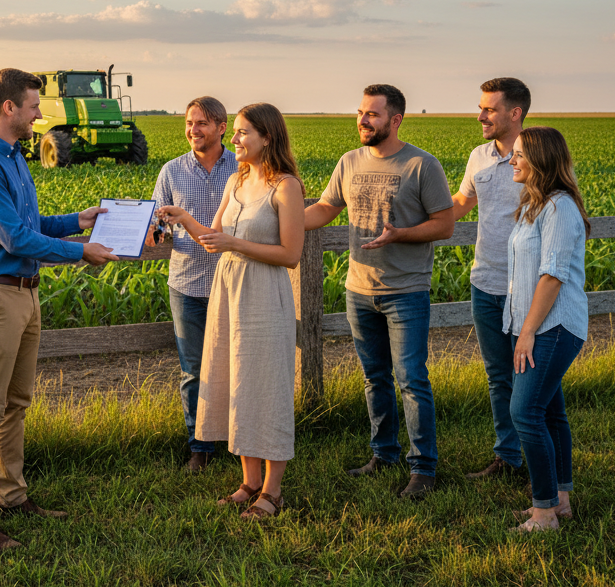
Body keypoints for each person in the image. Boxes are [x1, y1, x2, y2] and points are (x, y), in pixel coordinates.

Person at [0, 68, 118, 550]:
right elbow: (14, 238)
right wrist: (81, 250)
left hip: (23, 293)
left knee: (16, 403)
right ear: (8, 108)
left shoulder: (13, 157)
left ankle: (12, 495)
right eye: (32, 106)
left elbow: (31, 222)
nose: (39, 113)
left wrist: (75, 221)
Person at [304, 84, 454, 500]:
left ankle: (423, 468)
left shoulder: (422, 166)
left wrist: (401, 234)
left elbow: (444, 224)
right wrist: (280, 222)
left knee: (411, 380)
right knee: (375, 379)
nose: (363, 120)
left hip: (406, 291)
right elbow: (325, 208)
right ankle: (383, 454)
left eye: (372, 114)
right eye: (360, 112)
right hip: (358, 290)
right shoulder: (349, 161)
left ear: (396, 119)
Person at [157, 103, 306, 520]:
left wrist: (236, 246)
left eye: (242, 133)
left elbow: (290, 254)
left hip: (264, 294)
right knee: (235, 380)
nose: (235, 140)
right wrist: (183, 217)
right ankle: (249, 482)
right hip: (230, 291)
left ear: (267, 138)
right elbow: (213, 237)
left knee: (267, 386)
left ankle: (273, 492)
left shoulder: (286, 187)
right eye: (236, 132)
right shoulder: (238, 181)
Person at [504, 126, 590, 533]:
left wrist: (527, 332)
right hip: (538, 325)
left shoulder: (559, 208)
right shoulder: (534, 206)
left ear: (541, 160)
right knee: (552, 412)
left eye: (520, 155)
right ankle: (561, 500)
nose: (512, 160)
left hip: (552, 326)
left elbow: (552, 276)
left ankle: (543, 514)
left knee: (525, 412)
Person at [448, 78, 531, 480]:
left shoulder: (537, 156)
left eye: (490, 109)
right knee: (499, 376)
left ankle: (542, 457)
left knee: (530, 379)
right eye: (480, 107)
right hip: (485, 282)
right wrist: (414, 222)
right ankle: (509, 459)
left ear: (514, 114)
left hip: (529, 286)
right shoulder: (478, 156)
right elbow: (462, 202)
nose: (481, 116)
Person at [149, 96, 237, 473]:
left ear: (221, 127)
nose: (192, 130)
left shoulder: (243, 166)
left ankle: (239, 439)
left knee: (237, 364)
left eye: (201, 123)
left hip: (234, 281)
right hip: (186, 283)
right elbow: (157, 226)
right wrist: (157, 231)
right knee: (193, 370)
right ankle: (199, 446)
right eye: (189, 122)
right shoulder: (171, 171)